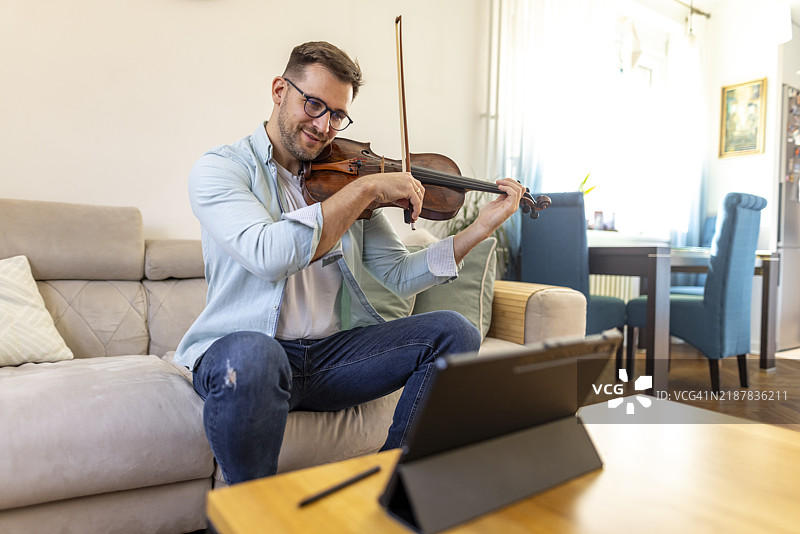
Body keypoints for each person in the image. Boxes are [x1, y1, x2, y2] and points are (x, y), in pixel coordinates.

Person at [174, 41, 525, 485]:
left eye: (337, 115)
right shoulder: (221, 169)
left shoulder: (343, 176)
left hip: (325, 360)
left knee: (454, 331)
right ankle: (249, 512)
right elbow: (268, 255)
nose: (324, 127)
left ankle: (390, 486)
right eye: (314, 104)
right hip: (247, 353)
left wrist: (478, 229)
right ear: (280, 90)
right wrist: (364, 192)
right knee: (256, 354)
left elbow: (399, 275)